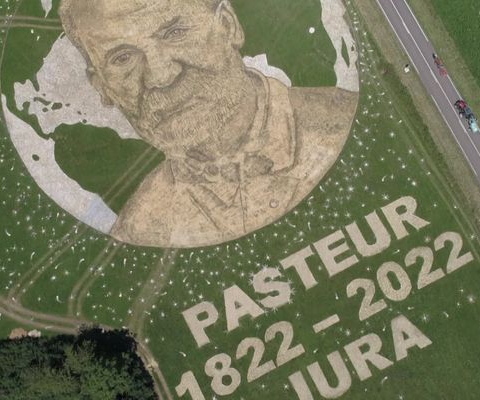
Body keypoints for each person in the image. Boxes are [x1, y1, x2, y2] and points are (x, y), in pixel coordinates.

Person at [59, 0, 359, 247]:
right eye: (123, 58)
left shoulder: (344, 123)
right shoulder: (141, 232)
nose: (161, 76)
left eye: (175, 32)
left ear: (228, 26)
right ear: (102, 87)